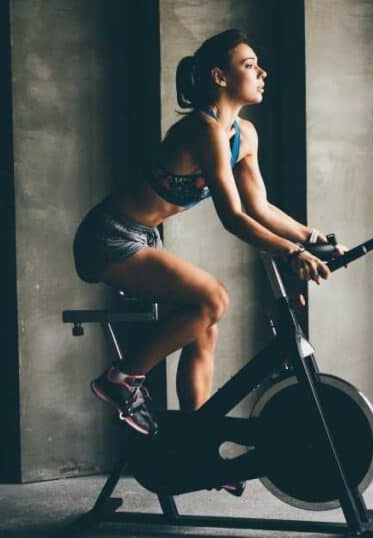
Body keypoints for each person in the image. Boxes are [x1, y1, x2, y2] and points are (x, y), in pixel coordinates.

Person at [73, 29, 337, 439]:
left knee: (203, 323)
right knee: (214, 298)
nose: (262, 72)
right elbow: (232, 216)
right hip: (109, 236)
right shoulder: (203, 130)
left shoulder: (243, 135)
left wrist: (309, 237)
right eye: (249, 65)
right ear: (220, 76)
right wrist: (290, 252)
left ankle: (197, 440)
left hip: (145, 238)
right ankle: (121, 380)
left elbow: (259, 207)